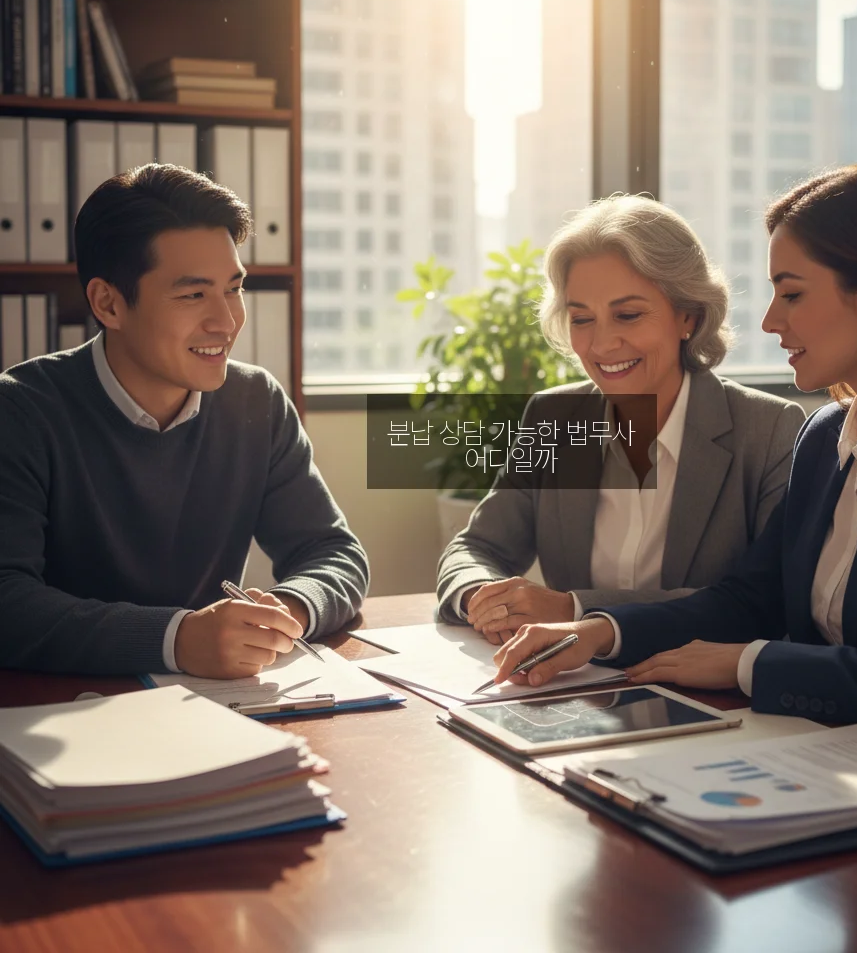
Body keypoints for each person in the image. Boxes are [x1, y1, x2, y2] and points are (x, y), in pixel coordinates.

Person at [489, 165, 857, 753]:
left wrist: (751, 664)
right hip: (836, 757)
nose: (770, 320)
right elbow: (748, 599)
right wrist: (599, 631)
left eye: (792, 293)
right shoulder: (824, 439)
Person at [0, 164, 369, 678]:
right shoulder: (20, 411)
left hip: (216, 707)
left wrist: (288, 610)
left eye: (234, 289)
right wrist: (175, 639)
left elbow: (332, 551)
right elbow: (7, 602)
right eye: (193, 294)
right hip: (60, 710)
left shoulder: (256, 401)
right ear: (108, 303)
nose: (226, 320)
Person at [436, 195, 805, 643]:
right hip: (568, 686)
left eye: (627, 315)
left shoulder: (769, 430)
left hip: (706, 689)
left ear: (687, 314)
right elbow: (476, 547)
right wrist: (484, 597)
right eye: (582, 318)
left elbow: (760, 604)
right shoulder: (554, 420)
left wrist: (575, 610)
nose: (601, 344)